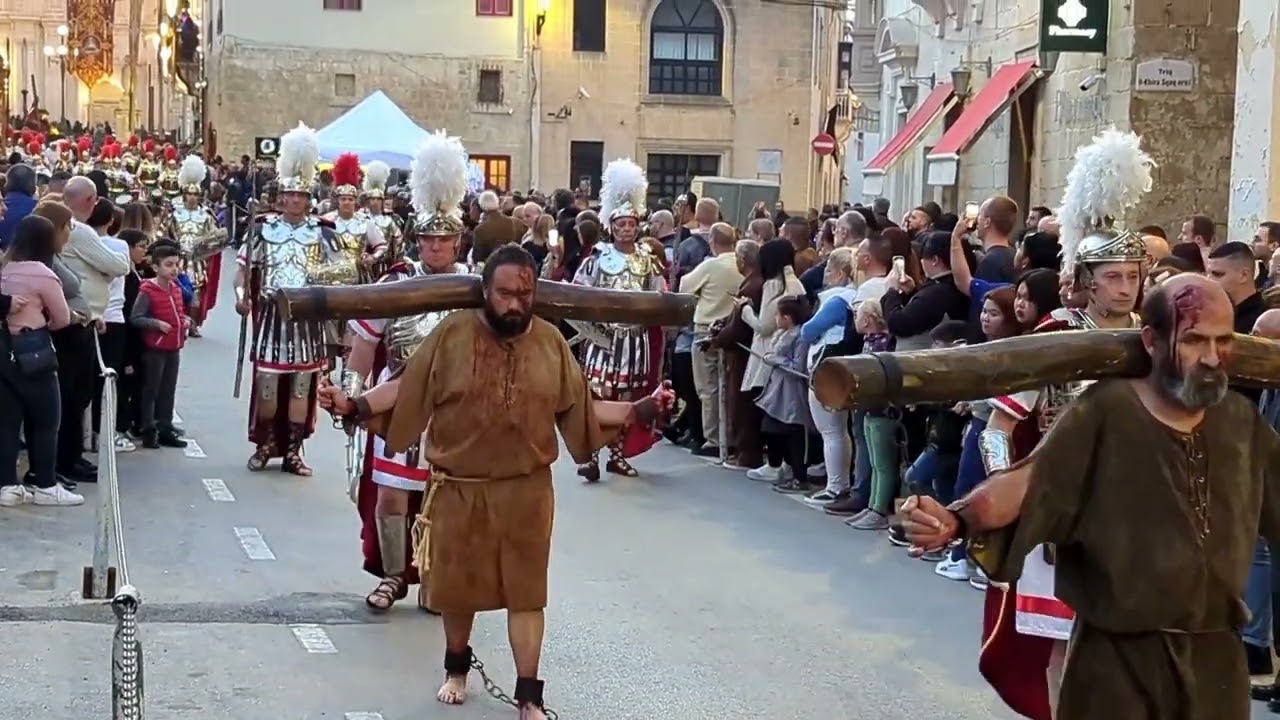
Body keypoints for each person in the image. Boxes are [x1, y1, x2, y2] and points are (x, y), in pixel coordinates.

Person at [900, 273, 1280, 720]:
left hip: (1216, 659)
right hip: (1117, 661)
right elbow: (1029, 484)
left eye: (1223, 341)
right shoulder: (1106, 411)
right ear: (1151, 342)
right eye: (1195, 340)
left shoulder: (1239, 421)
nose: (1213, 358)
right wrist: (956, 519)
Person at [318, 244, 674, 720]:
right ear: (485, 291)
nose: (515, 303)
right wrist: (354, 406)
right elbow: (407, 388)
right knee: (458, 589)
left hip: (526, 491)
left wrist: (641, 408)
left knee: (527, 593)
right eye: (505, 293)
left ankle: (529, 695)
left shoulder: (549, 343)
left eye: (524, 294)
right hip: (458, 486)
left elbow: (581, 411)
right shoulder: (451, 335)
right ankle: (457, 667)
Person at [344, 131, 470, 613]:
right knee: (392, 500)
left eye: (445, 238)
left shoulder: (476, 286)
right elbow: (365, 342)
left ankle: (437, 579)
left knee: (448, 505)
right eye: (429, 238)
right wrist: (353, 399)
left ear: (458, 239)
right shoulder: (395, 283)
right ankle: (395, 576)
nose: (436, 246)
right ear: (417, 239)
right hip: (397, 405)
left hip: (456, 412)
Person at [233, 123, 340, 475]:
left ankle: (293, 452)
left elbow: (340, 274)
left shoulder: (323, 232)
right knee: (267, 388)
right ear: (281, 197)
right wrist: (240, 297)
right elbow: (244, 271)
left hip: (307, 322)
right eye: (290, 195)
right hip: (270, 319)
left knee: (300, 388)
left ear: (309, 200)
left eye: (301, 196)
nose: (295, 201)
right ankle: (266, 445)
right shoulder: (263, 228)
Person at [571, 158, 665, 481]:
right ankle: (592, 455)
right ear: (611, 226)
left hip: (635, 343)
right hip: (604, 342)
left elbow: (659, 297)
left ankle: (618, 455)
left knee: (630, 399)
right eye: (621, 224)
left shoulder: (647, 260)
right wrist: (595, 331)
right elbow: (577, 297)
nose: (627, 229)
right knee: (599, 397)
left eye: (632, 223)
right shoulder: (597, 257)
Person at [0, 214, 79, 506]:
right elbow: (62, 317)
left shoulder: (4, 268)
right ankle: (46, 484)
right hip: (33, 350)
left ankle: (7, 486)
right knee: (47, 419)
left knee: (7, 423)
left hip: (3, 349)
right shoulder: (43, 274)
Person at [130, 243, 189, 449]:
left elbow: (177, 312)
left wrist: (185, 320)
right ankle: (148, 429)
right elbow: (136, 317)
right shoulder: (148, 290)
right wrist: (156, 324)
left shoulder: (176, 289)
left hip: (173, 345)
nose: (174, 269)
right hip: (155, 347)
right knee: (152, 389)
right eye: (169, 264)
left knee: (168, 389)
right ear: (155, 268)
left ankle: (165, 427)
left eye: (176, 264)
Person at [163, 155, 227, 338]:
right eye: (189, 194)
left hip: (198, 260)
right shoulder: (175, 214)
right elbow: (165, 233)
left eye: (195, 194)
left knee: (195, 292)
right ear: (184, 195)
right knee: (175, 291)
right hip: (177, 258)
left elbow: (214, 237)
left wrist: (206, 247)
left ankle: (192, 324)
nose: (192, 197)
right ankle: (177, 322)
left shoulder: (206, 215)